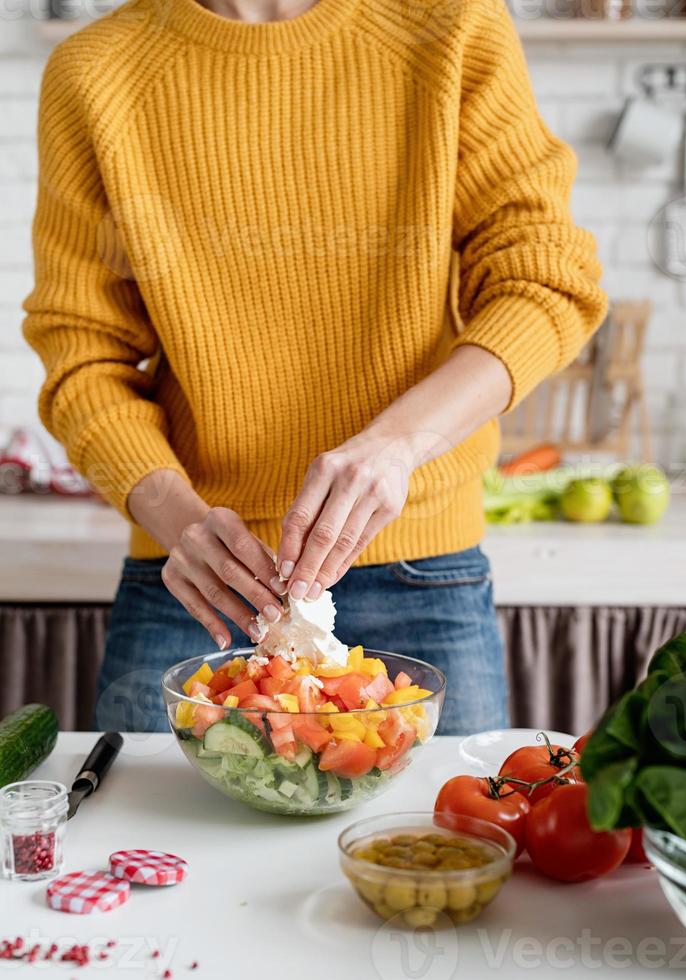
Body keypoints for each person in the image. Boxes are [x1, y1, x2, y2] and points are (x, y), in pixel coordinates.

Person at [24, 0, 606, 735]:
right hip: (198, 584)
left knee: (452, 843)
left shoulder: (451, 24)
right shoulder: (96, 70)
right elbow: (82, 351)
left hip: (421, 574)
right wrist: (179, 520)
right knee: (150, 850)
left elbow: (544, 281)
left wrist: (397, 445)